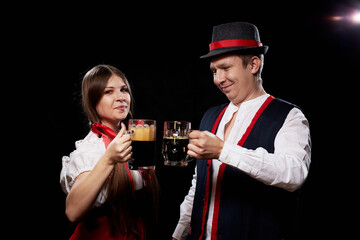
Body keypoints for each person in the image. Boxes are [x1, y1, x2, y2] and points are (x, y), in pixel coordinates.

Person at [172, 22, 311, 240]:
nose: (218, 79)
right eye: (214, 71)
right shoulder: (210, 115)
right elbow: (199, 184)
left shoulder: (288, 116)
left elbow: (293, 174)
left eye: (226, 68)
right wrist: (179, 233)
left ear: (254, 64)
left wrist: (223, 150)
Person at [60, 64, 159, 239]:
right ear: (93, 100)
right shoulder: (91, 149)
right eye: (109, 92)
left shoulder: (135, 139)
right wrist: (108, 159)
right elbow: (72, 211)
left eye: (123, 90)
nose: (121, 97)